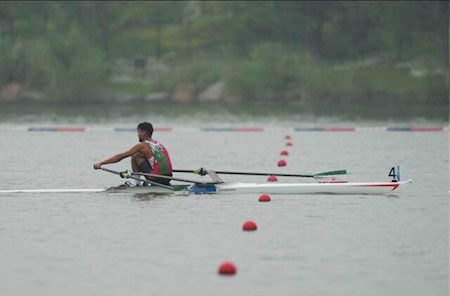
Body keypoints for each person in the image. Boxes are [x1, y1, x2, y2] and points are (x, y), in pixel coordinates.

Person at [93, 122, 173, 186]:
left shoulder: (142, 146)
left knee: (135, 156)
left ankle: (137, 184)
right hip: (168, 177)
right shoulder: (158, 144)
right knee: (143, 156)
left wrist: (101, 163)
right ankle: (149, 182)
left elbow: (121, 156)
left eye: (139, 132)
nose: (137, 134)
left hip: (157, 178)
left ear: (144, 133)